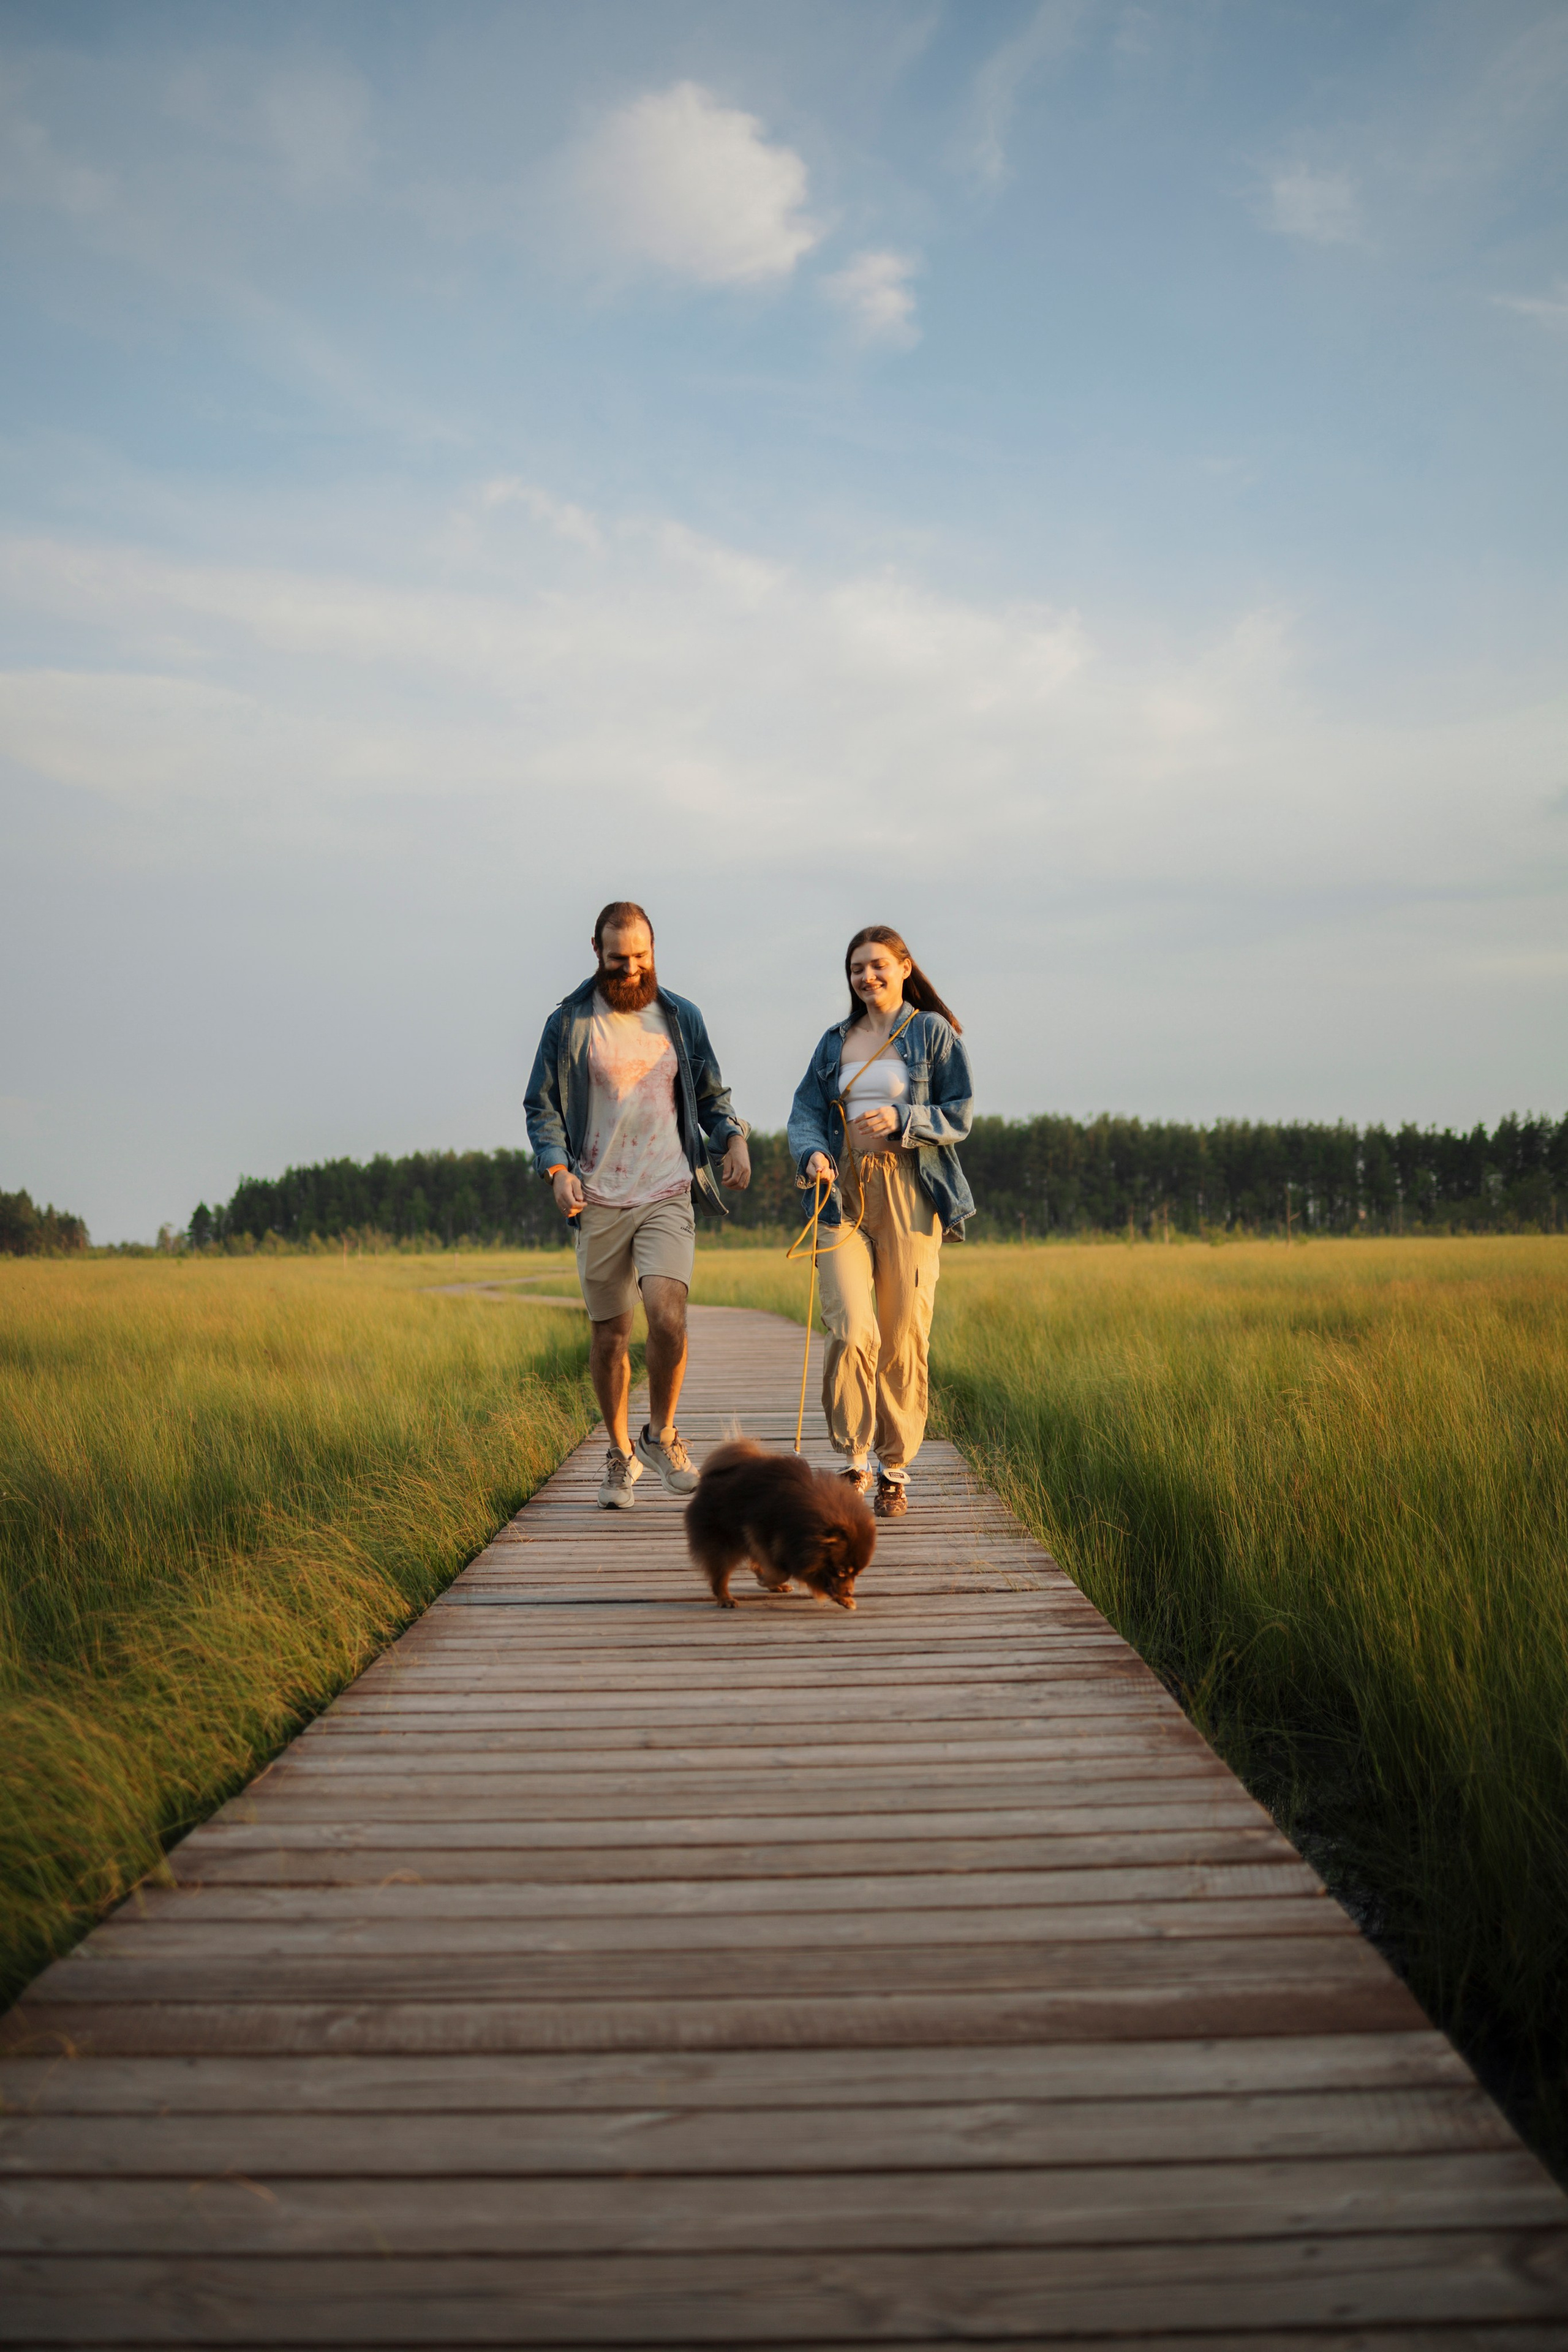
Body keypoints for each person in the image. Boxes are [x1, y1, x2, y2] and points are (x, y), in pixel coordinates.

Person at [525, 902, 751, 1510]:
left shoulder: (681, 1018)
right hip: (598, 1197)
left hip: (667, 1188)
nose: (631, 970)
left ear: (654, 950)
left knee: (668, 1316)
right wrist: (556, 1170)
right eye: (618, 959)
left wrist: (733, 1138)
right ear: (595, 951)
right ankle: (620, 1453)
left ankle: (662, 1434)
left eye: (642, 958)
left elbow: (711, 1097)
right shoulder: (569, 1023)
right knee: (609, 1337)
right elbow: (540, 1106)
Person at [787, 926, 974, 1518]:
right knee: (850, 1326)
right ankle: (853, 1458)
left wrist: (900, 1116)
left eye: (876, 966)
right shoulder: (833, 1041)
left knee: (903, 1335)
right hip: (842, 1193)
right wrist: (812, 1152)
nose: (866, 977)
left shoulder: (931, 1032)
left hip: (911, 1190)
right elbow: (807, 1112)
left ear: (903, 966)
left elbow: (958, 1113)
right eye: (855, 969)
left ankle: (895, 1467)